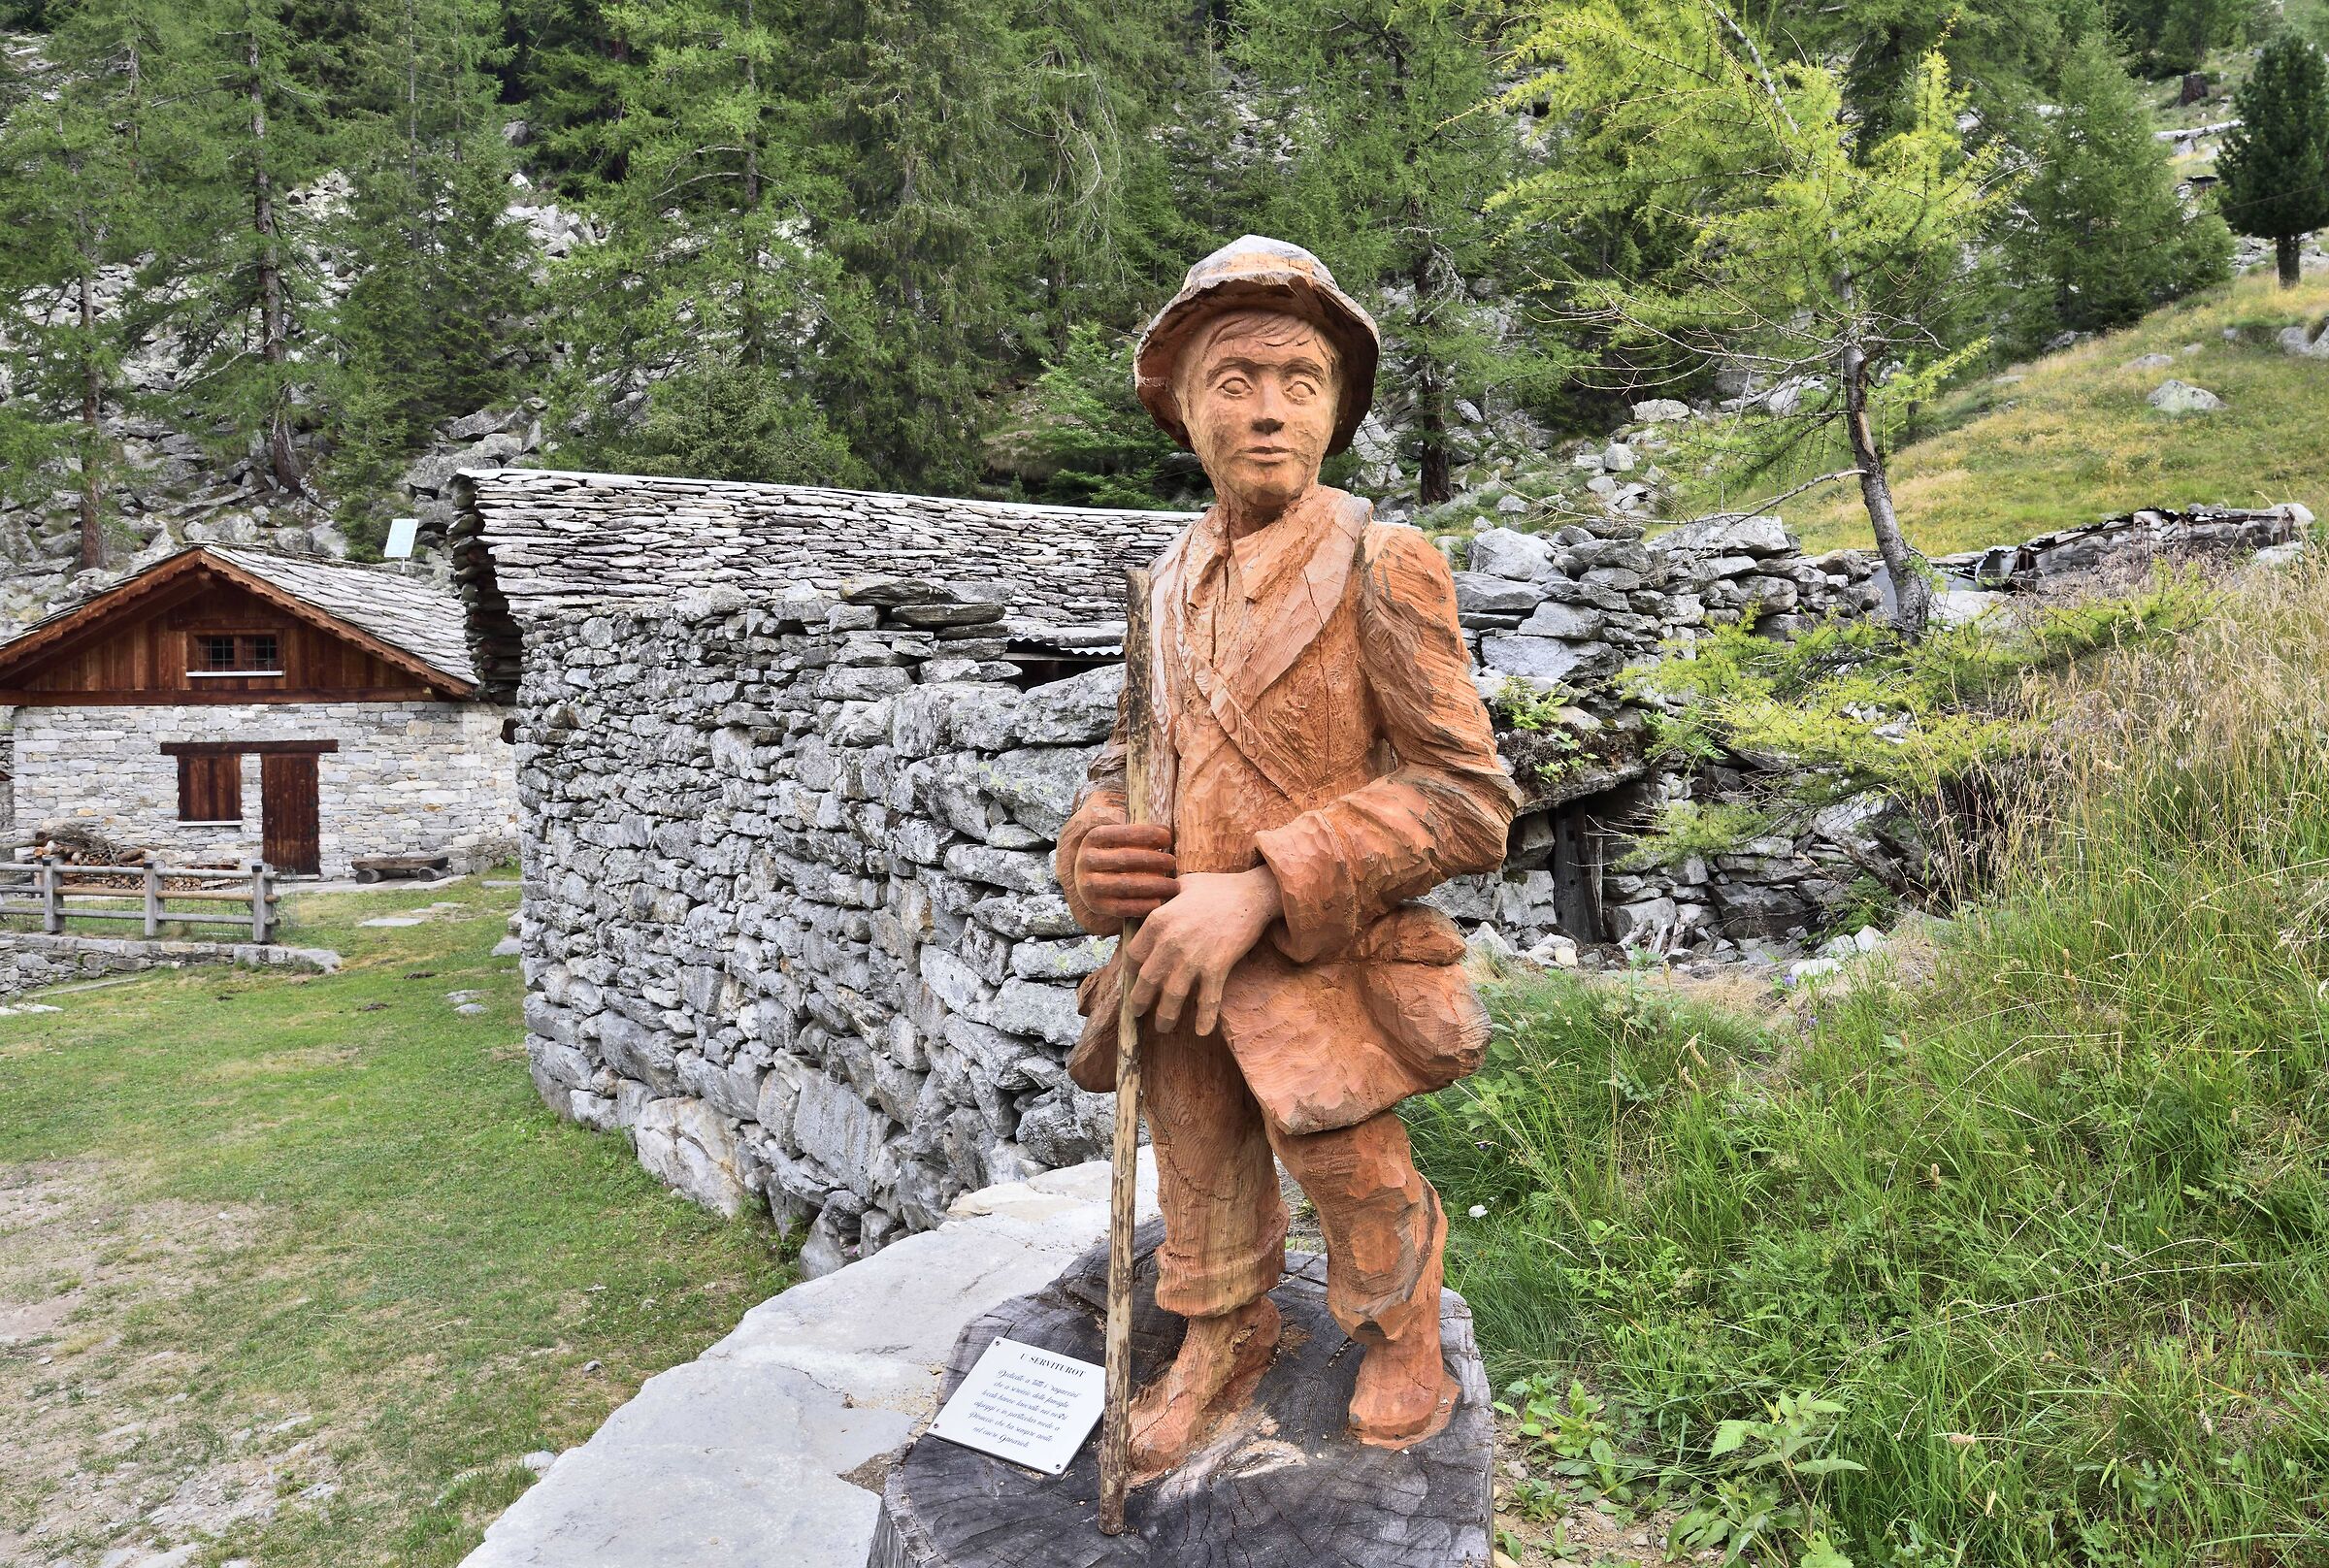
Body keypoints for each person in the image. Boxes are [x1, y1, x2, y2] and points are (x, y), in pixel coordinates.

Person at [1054, 236, 1520, 1473]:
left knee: (1349, 1162)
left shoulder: (1383, 561)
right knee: (1197, 1158)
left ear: (1338, 411)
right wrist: (1091, 849)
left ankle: (1399, 1324)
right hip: (1178, 968)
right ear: (1183, 408)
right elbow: (1127, 761)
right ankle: (1224, 1334)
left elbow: (1468, 798)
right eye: (1234, 378)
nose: (1266, 408)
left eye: (1300, 379)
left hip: (1324, 960)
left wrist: (1265, 883)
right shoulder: (1159, 587)